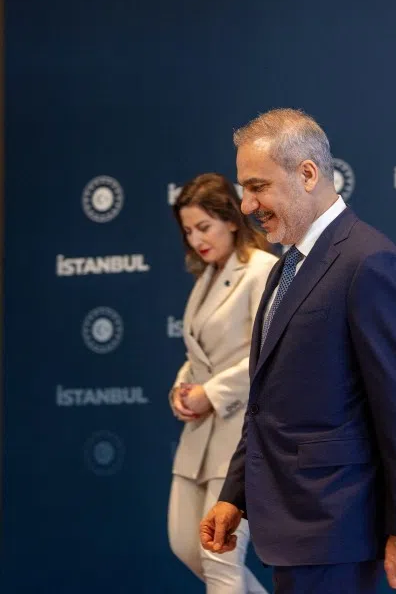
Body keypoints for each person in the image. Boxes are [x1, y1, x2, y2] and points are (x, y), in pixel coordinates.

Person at [198, 109, 396, 594]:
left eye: (258, 186)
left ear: (307, 173)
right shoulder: (285, 268)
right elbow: (266, 403)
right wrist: (234, 496)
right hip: (290, 526)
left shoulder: (368, 262)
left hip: (338, 529)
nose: (246, 206)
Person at [168, 172, 277, 593]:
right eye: (188, 231)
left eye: (204, 227)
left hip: (237, 433)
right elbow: (197, 357)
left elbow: (269, 354)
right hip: (197, 436)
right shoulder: (205, 280)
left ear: (231, 219)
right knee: (187, 547)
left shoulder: (261, 270)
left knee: (220, 560)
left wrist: (210, 394)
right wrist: (181, 390)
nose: (197, 240)